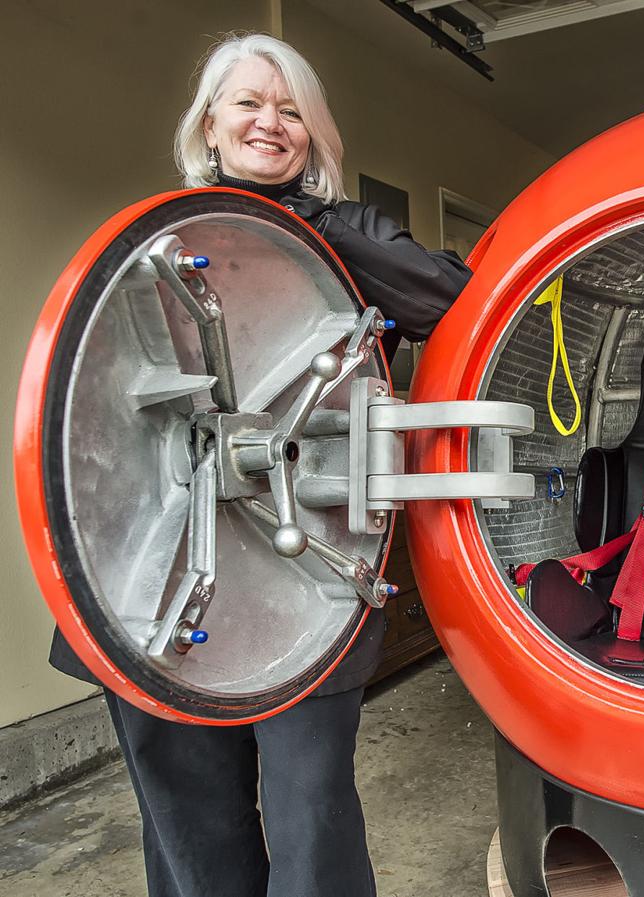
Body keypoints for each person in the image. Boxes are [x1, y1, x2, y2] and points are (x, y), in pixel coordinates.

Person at [47, 32, 471, 897]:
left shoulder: (344, 229)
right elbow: (94, 405)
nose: (269, 123)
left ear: (313, 135)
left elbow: (445, 296)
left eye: (291, 111)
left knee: (311, 808)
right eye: (248, 102)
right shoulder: (161, 237)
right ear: (209, 123)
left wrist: (305, 232)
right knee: (188, 818)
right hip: (162, 583)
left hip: (306, 577)